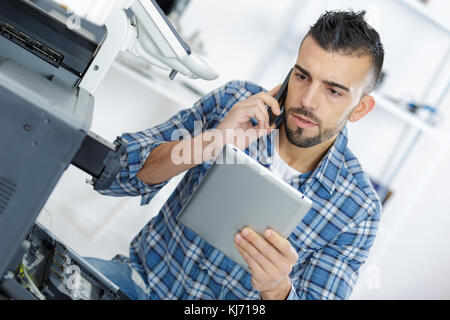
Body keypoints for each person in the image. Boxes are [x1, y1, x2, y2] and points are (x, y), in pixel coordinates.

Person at [85, 9, 385, 300]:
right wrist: (211, 142)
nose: (307, 100)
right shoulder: (235, 102)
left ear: (360, 108)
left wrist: (277, 289)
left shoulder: (358, 209)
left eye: (333, 91)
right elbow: (116, 176)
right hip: (139, 284)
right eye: (303, 77)